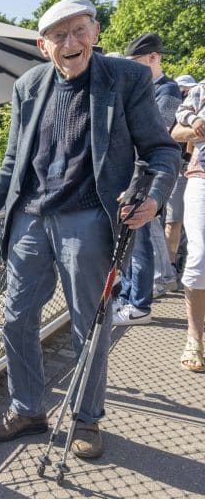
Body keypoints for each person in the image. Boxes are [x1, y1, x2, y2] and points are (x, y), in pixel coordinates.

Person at [0, 0, 179, 459]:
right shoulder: (27, 86)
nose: (70, 42)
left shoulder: (127, 78)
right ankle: (27, 410)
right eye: (58, 36)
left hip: (89, 216)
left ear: (95, 32)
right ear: (43, 47)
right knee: (16, 318)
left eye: (78, 30)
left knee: (90, 322)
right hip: (30, 217)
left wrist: (155, 198)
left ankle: (86, 419)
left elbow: (162, 152)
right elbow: (12, 163)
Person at [114, 32, 182, 324]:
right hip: (132, 173)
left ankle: (139, 306)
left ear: (154, 58)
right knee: (127, 242)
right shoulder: (145, 88)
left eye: (137, 63)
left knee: (139, 240)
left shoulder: (167, 90)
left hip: (147, 177)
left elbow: (157, 131)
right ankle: (128, 294)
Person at [172, 96, 205, 371]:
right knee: (200, 255)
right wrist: (198, 126)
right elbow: (175, 131)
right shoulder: (201, 89)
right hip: (201, 178)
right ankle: (194, 338)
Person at [166, 75, 198, 281]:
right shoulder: (197, 96)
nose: (184, 94)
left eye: (186, 91)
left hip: (184, 169)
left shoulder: (166, 91)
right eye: (183, 91)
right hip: (185, 170)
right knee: (174, 221)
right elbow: (174, 132)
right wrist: (197, 127)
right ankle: (170, 269)